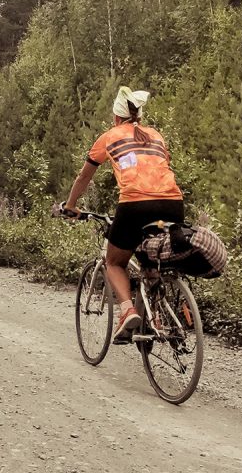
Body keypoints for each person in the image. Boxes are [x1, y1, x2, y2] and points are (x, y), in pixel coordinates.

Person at [59, 87, 185, 342]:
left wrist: (70, 206)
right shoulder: (156, 136)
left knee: (115, 262)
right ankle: (155, 318)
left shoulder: (109, 136)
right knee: (148, 254)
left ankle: (127, 310)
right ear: (139, 114)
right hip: (172, 206)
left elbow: (84, 176)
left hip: (135, 206)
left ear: (116, 117)